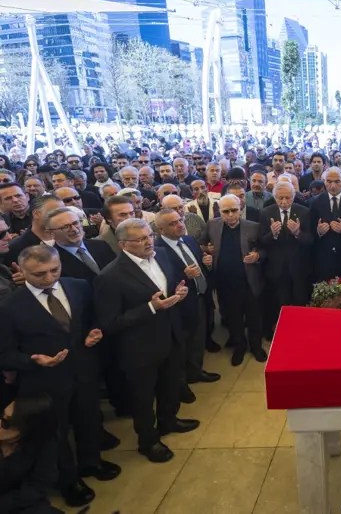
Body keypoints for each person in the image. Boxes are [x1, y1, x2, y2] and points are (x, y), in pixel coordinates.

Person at [0, 245, 120, 507]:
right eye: (39, 274)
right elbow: (5, 353)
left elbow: (93, 319)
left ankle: (92, 462)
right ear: (22, 272)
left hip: (85, 371)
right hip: (45, 381)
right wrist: (32, 361)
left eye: (54, 270)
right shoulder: (10, 307)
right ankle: (69, 480)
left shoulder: (78, 286)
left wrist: (95, 331)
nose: (49, 278)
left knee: (89, 420)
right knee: (57, 433)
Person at [94, 218, 199, 463]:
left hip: (170, 335)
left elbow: (168, 287)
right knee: (142, 398)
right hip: (140, 348)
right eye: (140, 239)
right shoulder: (111, 276)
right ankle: (148, 441)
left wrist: (178, 292)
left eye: (149, 235)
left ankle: (168, 420)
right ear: (123, 245)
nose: (148, 241)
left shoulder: (161, 254)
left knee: (170, 385)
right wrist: (151, 307)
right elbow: (109, 323)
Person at [152, 209, 220, 402]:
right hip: (179, 305)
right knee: (181, 347)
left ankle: (196, 372)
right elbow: (159, 281)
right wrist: (183, 276)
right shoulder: (157, 250)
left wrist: (206, 262)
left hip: (200, 297)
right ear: (161, 229)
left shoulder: (189, 240)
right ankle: (181, 386)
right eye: (173, 223)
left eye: (180, 220)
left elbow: (199, 264)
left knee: (198, 339)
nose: (180, 224)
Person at [207, 195, 266, 365]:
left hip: (249, 281)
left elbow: (265, 249)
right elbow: (202, 245)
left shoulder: (253, 227)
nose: (231, 215)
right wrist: (206, 251)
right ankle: (239, 346)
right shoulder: (212, 226)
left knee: (254, 316)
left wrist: (258, 255)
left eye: (234, 210)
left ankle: (256, 346)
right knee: (233, 317)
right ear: (220, 211)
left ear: (240, 209)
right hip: (225, 282)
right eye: (226, 211)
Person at [259, 182, 312, 333]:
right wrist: (273, 234)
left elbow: (311, 240)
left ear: (293, 197)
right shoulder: (266, 213)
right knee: (277, 301)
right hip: (275, 268)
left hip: (299, 267)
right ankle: (279, 331)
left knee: (299, 300)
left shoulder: (304, 212)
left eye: (287, 198)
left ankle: (299, 330)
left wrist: (298, 233)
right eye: (280, 198)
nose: (283, 202)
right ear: (274, 197)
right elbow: (262, 241)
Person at [0, 394, 63, 514]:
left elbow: (39, 485)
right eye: (1, 416)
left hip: (18, 500)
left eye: (6, 423)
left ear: (26, 429)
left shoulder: (44, 441)